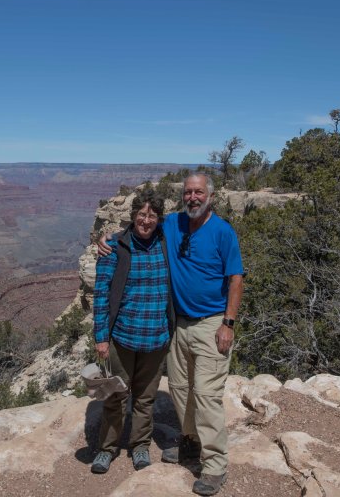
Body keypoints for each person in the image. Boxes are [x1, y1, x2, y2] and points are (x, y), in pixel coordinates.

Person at [98, 173, 243, 496]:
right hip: (177, 324)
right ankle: (190, 443)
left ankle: (215, 466)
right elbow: (138, 229)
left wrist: (228, 324)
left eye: (199, 192)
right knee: (179, 389)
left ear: (210, 197)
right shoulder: (173, 224)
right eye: (188, 192)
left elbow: (236, 279)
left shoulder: (222, 231)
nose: (193, 197)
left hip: (211, 323)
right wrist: (106, 239)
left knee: (206, 395)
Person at [90, 190, 176, 475]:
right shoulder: (116, 246)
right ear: (133, 216)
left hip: (157, 338)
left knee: (145, 398)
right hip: (122, 338)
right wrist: (101, 337)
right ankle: (107, 448)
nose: (146, 220)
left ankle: (139, 445)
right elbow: (101, 293)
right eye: (142, 214)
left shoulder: (166, 243)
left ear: (159, 219)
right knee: (116, 396)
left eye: (152, 215)